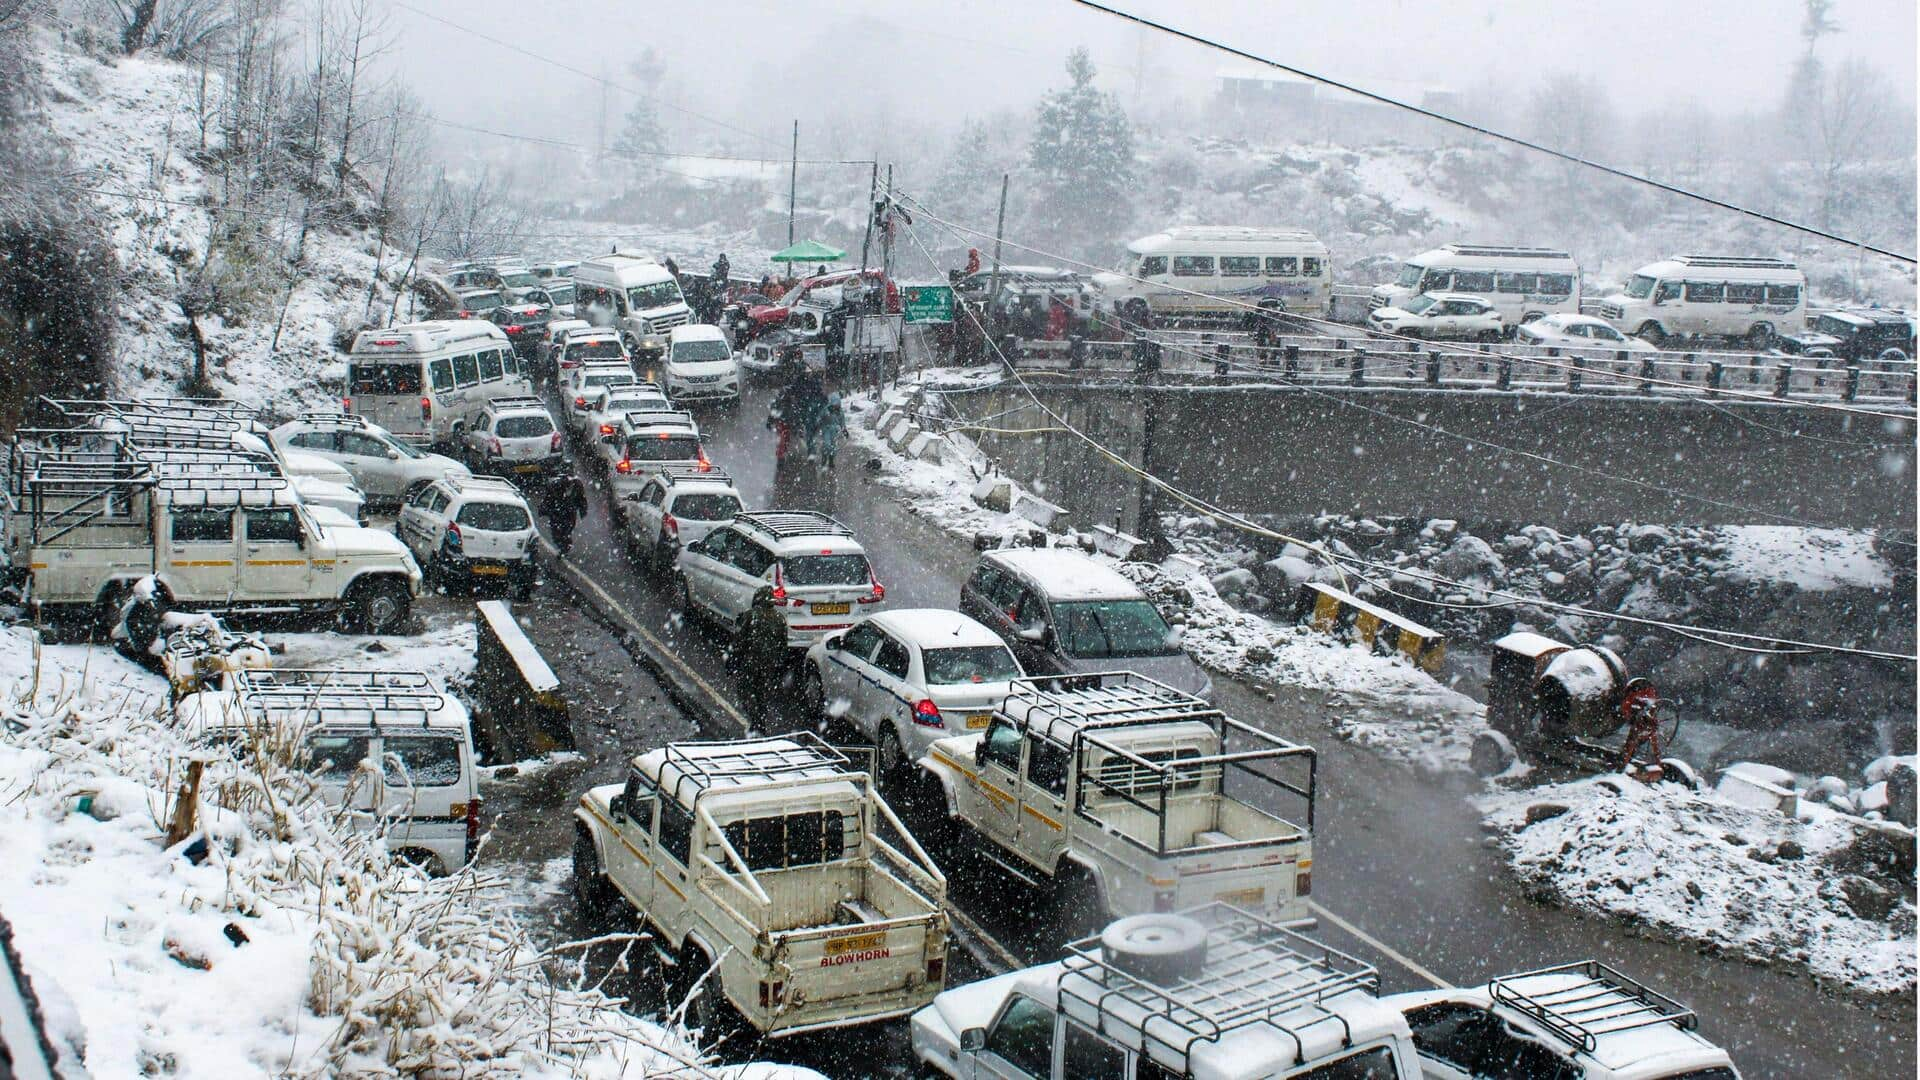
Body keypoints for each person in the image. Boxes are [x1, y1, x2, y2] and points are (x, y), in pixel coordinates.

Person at [732, 586, 792, 730]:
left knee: (745, 691)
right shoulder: (780, 618)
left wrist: (735, 659)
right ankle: (761, 720)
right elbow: (783, 644)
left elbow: (739, 641)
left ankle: (756, 720)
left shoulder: (750, 616)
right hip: (769, 664)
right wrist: (778, 663)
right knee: (762, 692)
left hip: (750, 662)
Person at [538, 470, 588, 554]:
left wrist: (583, 509)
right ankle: (563, 545)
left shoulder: (576, 485)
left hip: (565, 513)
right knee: (559, 532)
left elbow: (581, 499)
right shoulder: (555, 486)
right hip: (559, 513)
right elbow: (548, 499)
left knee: (563, 531)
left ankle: (564, 546)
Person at [818, 387, 846, 468]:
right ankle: (824, 458)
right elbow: (820, 417)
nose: (837, 405)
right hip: (826, 429)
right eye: (835, 403)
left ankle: (831, 460)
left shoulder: (840, 411)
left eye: (838, 404)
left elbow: (842, 421)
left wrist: (844, 429)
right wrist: (819, 423)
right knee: (826, 444)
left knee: (833, 446)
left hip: (835, 430)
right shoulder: (826, 409)